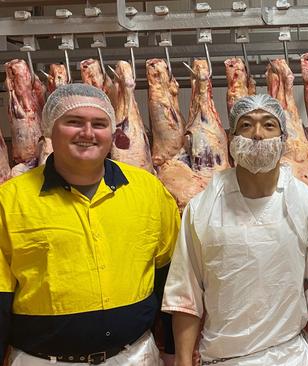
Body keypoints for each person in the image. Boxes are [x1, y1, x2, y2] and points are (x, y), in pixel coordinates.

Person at [0, 83, 180, 365]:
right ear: (49, 129)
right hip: (42, 360)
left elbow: (170, 277)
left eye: (99, 123)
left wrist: (171, 350)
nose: (88, 133)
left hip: (134, 357)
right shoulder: (10, 200)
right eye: (74, 122)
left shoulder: (148, 190)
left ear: (112, 132)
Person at [162, 94, 308, 366]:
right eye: (246, 125)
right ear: (231, 138)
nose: (258, 134)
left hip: (289, 356)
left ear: (283, 139)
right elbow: (186, 293)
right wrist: (184, 360)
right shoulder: (201, 208)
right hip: (221, 357)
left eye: (269, 125)